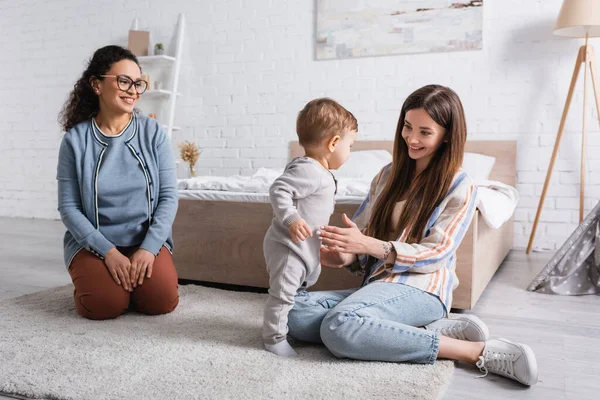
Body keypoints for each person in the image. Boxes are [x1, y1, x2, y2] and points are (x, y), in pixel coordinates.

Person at [287, 85, 538, 386]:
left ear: (446, 135)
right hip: (379, 285)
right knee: (292, 313)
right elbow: (362, 235)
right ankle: (427, 329)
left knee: (339, 326)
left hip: (422, 288)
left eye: (425, 132)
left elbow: (437, 253)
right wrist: (345, 254)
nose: (412, 139)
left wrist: (371, 245)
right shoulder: (386, 175)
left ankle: (474, 351)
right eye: (407, 127)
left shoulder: (460, 185)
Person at [57, 45, 179, 320]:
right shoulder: (75, 141)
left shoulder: (153, 134)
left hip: (145, 240)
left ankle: (130, 284)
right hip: (95, 244)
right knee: (103, 305)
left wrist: (148, 249)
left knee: (161, 300)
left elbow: (169, 197)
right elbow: (68, 208)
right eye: (124, 81)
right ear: (96, 85)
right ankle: (104, 282)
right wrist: (108, 253)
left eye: (138, 83)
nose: (133, 90)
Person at [263, 98, 358, 356]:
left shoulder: (319, 171)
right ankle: (273, 338)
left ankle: (288, 326)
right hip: (287, 247)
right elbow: (279, 189)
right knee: (282, 294)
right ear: (334, 143)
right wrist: (291, 219)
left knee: (294, 292)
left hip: (301, 247)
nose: (350, 152)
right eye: (350, 145)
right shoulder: (310, 170)